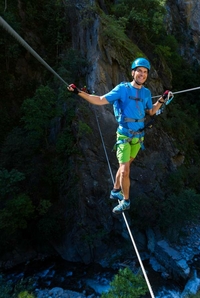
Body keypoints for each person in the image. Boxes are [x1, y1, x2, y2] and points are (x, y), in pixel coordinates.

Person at [67, 57, 171, 214]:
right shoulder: (123, 89)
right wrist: (78, 92)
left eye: (145, 72)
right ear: (133, 72)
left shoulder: (147, 93)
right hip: (124, 136)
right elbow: (100, 100)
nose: (142, 74)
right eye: (139, 71)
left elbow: (150, 111)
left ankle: (116, 190)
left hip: (138, 138)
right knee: (124, 170)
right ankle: (126, 201)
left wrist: (162, 99)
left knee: (126, 166)